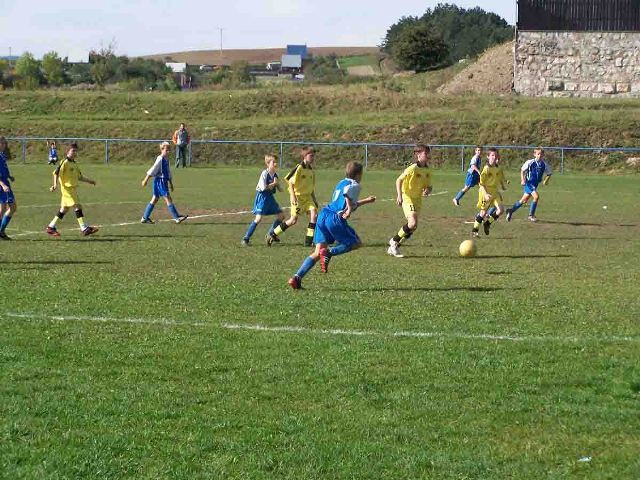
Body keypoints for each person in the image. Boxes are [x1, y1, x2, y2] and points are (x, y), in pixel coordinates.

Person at [288, 161, 376, 289]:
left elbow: (346, 201)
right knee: (356, 243)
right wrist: (350, 210)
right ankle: (329, 253)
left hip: (323, 215)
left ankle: (296, 278)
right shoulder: (355, 185)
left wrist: (366, 201)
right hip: (334, 218)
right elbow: (347, 196)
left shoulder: (341, 182)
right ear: (358, 175)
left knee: (317, 252)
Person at [266, 146, 319, 247]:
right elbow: (290, 181)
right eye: (311, 156)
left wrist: (314, 199)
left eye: (313, 156)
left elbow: (311, 187)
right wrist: (293, 196)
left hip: (308, 198)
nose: (313, 158)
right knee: (293, 220)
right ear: (305, 156)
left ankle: (308, 241)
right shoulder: (299, 168)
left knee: (314, 215)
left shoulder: (311, 170)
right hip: (298, 198)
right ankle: (272, 234)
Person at [387, 144, 433, 258]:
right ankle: (393, 242)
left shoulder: (427, 170)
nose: (427, 155)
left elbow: (429, 186)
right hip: (407, 197)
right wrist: (399, 195)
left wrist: (427, 190)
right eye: (425, 153)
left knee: (413, 226)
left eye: (428, 153)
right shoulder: (412, 168)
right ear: (418, 155)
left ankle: (395, 245)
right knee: (412, 223)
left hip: (418, 200)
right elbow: (398, 180)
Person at [46, 142, 99, 237]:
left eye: (75, 151)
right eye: (72, 151)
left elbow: (80, 177)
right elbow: (56, 173)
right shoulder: (64, 162)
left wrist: (90, 181)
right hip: (67, 189)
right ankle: (84, 228)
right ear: (67, 152)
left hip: (72, 189)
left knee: (64, 209)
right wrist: (54, 185)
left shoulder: (74, 164)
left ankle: (51, 227)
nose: (74, 153)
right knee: (77, 207)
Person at [242, 154, 285, 246]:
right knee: (258, 219)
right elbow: (263, 188)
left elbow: (279, 187)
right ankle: (246, 239)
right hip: (262, 197)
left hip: (270, 197)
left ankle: (271, 234)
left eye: (276, 162)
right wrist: (274, 184)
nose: (275, 164)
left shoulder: (275, 174)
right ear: (268, 163)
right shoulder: (264, 173)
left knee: (281, 216)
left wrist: (280, 187)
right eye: (273, 162)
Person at [140, 141, 188, 224]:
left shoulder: (166, 159)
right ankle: (176, 217)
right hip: (160, 181)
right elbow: (153, 169)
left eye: (169, 149)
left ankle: (145, 217)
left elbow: (168, 172)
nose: (168, 151)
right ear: (162, 149)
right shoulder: (160, 158)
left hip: (163, 181)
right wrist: (145, 179)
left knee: (155, 199)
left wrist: (171, 183)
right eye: (166, 150)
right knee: (168, 198)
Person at [506, 148, 553, 223]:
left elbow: (549, 173)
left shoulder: (544, 164)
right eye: (538, 154)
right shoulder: (530, 162)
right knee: (536, 197)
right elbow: (522, 170)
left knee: (523, 201)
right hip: (529, 183)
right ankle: (531, 215)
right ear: (534, 154)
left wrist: (546, 180)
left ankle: (510, 211)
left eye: (541, 154)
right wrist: (522, 180)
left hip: (535, 184)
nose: (539, 155)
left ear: (543, 155)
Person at [471, 147, 507, 237]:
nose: (494, 157)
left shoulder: (498, 168)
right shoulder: (486, 168)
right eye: (492, 155)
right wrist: (485, 194)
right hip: (485, 192)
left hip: (494, 192)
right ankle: (474, 231)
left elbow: (498, 179)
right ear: (488, 156)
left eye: (495, 155)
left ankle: (488, 223)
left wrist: (501, 188)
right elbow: (481, 183)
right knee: (483, 212)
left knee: (501, 210)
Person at [0, 137, 17, 240]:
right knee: (3, 209)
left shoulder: (2, 155)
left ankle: (1, 231)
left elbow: (3, 169)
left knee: (12, 207)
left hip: (5, 183)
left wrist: (9, 176)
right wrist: (3, 185)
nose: (3, 145)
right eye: (1, 143)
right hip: (2, 185)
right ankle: (1, 232)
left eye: (4, 143)